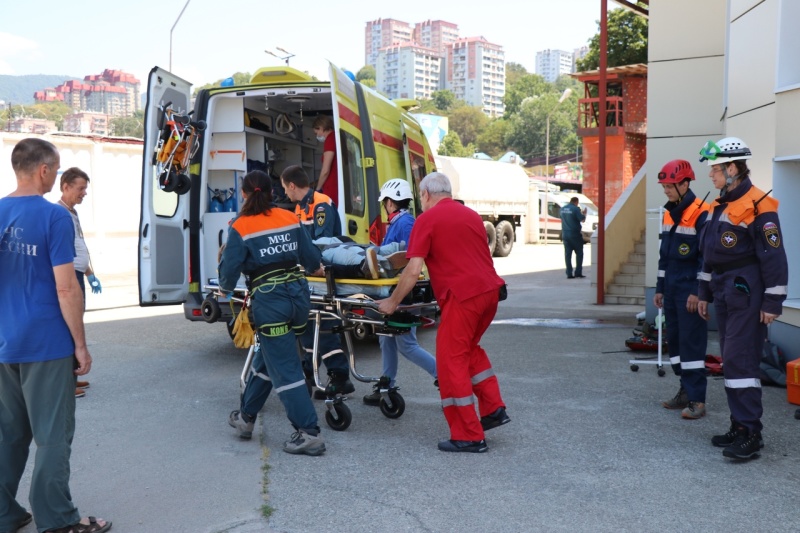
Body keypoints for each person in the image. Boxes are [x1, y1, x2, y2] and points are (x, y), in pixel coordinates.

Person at [0, 138, 112, 533]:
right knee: (52, 436)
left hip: (5, 343)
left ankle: (3, 514)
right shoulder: (55, 217)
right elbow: (66, 288)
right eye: (57, 168)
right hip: (45, 343)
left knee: (9, 433)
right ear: (44, 170)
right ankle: (59, 520)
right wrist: (80, 344)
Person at [377, 172, 509, 453]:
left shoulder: (427, 220)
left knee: (450, 364)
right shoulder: (471, 215)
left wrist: (392, 301)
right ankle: (493, 409)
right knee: (469, 350)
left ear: (425, 194)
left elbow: (413, 271)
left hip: (464, 298)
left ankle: (469, 435)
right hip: (490, 294)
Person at [221, 170, 327, 456]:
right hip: (298, 300)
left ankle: (309, 433)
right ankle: (246, 417)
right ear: (271, 193)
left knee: (286, 369)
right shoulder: (290, 217)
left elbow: (228, 272)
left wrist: (224, 290)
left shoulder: (240, 226)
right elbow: (312, 259)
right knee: (267, 357)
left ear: (244, 194)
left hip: (271, 304)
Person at [697, 137, 788, 461]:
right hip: (725, 290)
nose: (711, 175)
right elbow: (708, 255)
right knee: (731, 358)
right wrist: (704, 293)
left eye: (716, 169)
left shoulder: (759, 204)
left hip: (746, 291)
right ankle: (740, 425)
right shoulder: (719, 204)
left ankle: (750, 432)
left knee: (741, 360)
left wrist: (773, 302)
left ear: (732, 168)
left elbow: (774, 257)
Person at [281, 164, 353, 397]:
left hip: (323, 276)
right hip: (309, 277)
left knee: (325, 328)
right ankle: (310, 373)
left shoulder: (320, 203)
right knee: (308, 327)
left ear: (292, 185)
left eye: (285, 188)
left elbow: (323, 243)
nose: (285, 194)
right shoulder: (299, 209)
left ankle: (339, 376)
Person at [363, 179, 437, 405]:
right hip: (393, 288)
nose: (385, 207)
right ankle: (387, 383)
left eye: (385, 203)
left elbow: (408, 259)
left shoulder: (405, 224)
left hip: (401, 290)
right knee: (386, 338)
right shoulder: (400, 222)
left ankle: (444, 376)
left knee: (407, 345)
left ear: (391, 203)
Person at [653, 159, 711, 420]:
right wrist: (659, 288)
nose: (665, 190)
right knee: (675, 343)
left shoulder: (702, 213)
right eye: (664, 186)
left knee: (691, 345)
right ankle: (685, 390)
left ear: (685, 184)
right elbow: (664, 258)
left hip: (690, 291)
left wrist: (699, 291)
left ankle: (697, 399)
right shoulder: (668, 213)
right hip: (672, 291)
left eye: (669, 186)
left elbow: (706, 259)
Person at [58, 166, 101, 398]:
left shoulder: (72, 212)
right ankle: (66, 383)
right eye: (80, 188)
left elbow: (79, 247)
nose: (84, 193)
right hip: (69, 277)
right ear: (65, 187)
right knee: (69, 328)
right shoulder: (59, 213)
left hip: (78, 274)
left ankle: (73, 375)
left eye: (85, 188)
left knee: (75, 325)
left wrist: (90, 274)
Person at [313, 236, 409, 280]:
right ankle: (393, 249)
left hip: (328, 251)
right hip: (334, 243)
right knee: (363, 251)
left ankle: (384, 263)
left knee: (357, 256)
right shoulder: (303, 238)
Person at [313, 115, 338, 206]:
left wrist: (318, 189)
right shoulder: (337, 138)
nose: (317, 136)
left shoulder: (330, 139)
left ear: (321, 128)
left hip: (331, 189)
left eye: (316, 133)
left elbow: (325, 170)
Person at [560, 196, 586, 279]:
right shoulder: (575, 209)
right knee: (579, 253)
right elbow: (582, 219)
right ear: (576, 202)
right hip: (575, 234)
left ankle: (569, 273)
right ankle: (578, 272)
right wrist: (584, 213)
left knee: (568, 254)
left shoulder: (562, 209)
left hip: (565, 234)